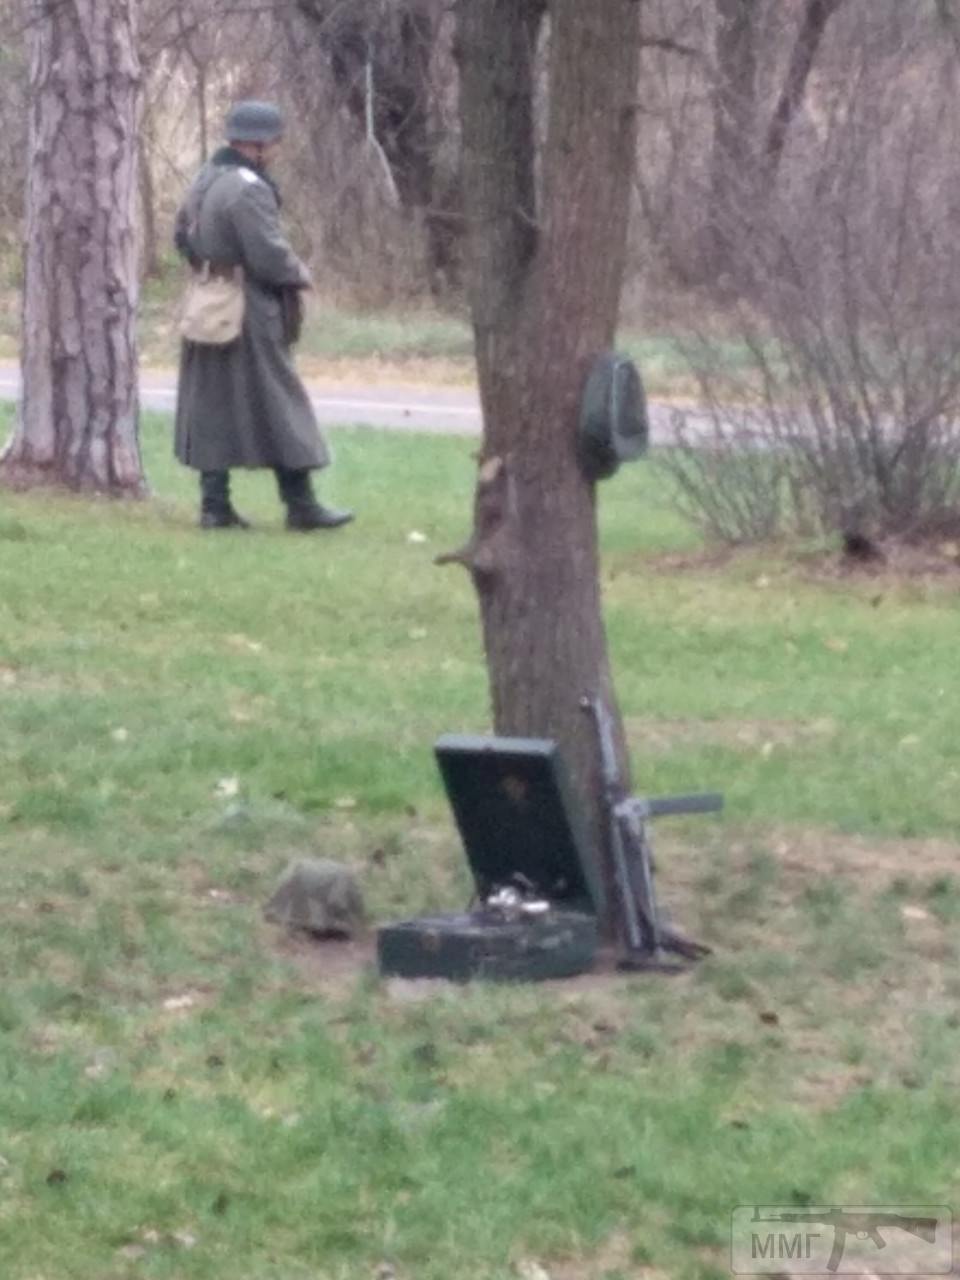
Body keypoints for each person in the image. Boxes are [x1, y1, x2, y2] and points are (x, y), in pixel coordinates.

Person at [173, 100, 353, 531]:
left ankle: (214, 506)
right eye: (273, 141)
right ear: (258, 144)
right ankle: (301, 504)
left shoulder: (205, 179)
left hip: (206, 301)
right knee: (281, 401)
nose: (276, 149)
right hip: (248, 307)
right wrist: (300, 275)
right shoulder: (248, 187)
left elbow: (181, 236)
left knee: (210, 405)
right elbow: (268, 253)